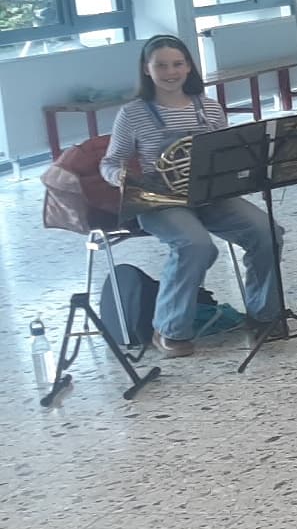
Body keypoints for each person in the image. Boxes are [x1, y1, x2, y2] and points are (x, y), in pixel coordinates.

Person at [99, 35, 286, 358]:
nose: (170, 72)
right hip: (160, 200)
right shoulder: (133, 113)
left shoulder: (210, 108)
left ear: (188, 67)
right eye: (161, 65)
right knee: (195, 244)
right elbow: (110, 162)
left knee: (267, 232)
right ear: (146, 69)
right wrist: (119, 176)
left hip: (209, 195)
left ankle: (263, 315)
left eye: (177, 64)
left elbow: (226, 153)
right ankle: (169, 328)